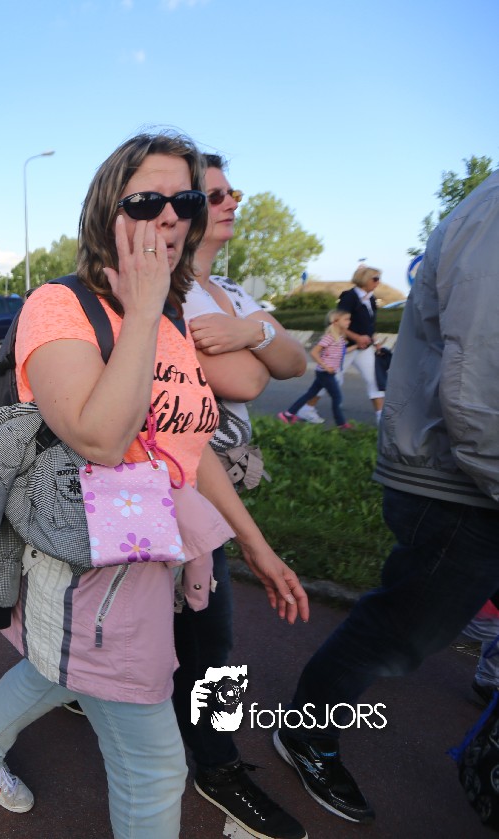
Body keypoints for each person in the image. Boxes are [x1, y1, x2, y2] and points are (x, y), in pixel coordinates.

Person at [0, 132, 308, 839]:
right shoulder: (62, 303)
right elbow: (100, 438)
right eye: (147, 201)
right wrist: (143, 311)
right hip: (95, 564)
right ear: (106, 212)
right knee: (154, 767)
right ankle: (212, 766)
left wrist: (257, 545)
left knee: (64, 669)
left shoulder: (172, 314)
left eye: (185, 200)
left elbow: (189, 446)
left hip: (173, 545)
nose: (170, 215)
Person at [275, 171, 499, 826]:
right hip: (460, 478)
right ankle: (305, 728)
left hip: (462, 463)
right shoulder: (490, 218)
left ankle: (488, 667)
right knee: (401, 629)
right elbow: (478, 376)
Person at [175, 155, 310, 839]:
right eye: (219, 193)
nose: (235, 201)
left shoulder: (228, 288)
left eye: (233, 191)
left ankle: (81, 687)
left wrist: (247, 333)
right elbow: (254, 383)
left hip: (218, 478)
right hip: (183, 481)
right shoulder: (172, 293)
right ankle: (217, 764)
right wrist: (258, 342)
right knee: (212, 631)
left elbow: (296, 362)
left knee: (186, 628)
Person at [299, 264, 384, 425]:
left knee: (374, 379)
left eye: (378, 279)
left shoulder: (371, 299)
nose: (378, 282)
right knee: (333, 379)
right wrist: (357, 338)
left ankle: (382, 417)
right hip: (344, 347)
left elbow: (370, 325)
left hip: (364, 349)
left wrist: (376, 342)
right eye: (375, 279)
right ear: (365, 279)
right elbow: (338, 322)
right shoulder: (349, 297)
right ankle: (307, 409)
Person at [278, 309, 353, 429]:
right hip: (325, 373)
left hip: (326, 372)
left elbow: (342, 352)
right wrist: (326, 367)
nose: (349, 321)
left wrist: (356, 347)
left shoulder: (340, 338)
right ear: (335, 321)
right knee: (337, 397)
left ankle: (288, 414)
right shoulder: (329, 338)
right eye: (346, 319)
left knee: (311, 393)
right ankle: (341, 424)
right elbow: (314, 352)